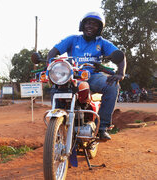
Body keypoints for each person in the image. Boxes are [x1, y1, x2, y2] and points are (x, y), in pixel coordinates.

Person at [47, 12, 127, 140]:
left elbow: (120, 56)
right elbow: (53, 52)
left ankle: (102, 128)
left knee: (112, 86)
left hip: (94, 76)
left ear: (99, 29)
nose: (91, 26)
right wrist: (50, 68)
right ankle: (57, 124)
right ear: (83, 25)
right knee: (57, 87)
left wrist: (120, 74)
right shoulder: (72, 39)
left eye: (95, 24)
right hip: (74, 76)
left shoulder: (102, 43)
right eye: (88, 23)